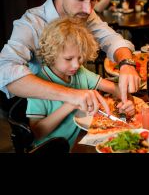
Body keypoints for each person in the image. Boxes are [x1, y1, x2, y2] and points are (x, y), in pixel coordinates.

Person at [0, 0, 140, 113]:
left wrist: (126, 63)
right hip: (40, 112)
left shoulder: (83, 12)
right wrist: (70, 95)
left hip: (79, 108)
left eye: (93, 0)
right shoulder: (31, 23)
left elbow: (110, 38)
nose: (88, 9)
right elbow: (5, 70)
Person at [27, 17, 135, 148]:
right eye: (68, 58)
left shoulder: (80, 72)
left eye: (80, 58)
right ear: (51, 54)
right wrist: (70, 103)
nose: (76, 65)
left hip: (80, 142)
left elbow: (115, 88)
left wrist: (127, 101)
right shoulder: (37, 85)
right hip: (52, 149)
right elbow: (38, 132)